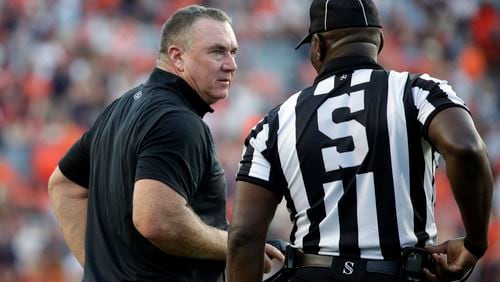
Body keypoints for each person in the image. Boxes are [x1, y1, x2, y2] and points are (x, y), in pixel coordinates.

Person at [227, 0, 493, 281]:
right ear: (378, 40)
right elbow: (466, 148)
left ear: (317, 46)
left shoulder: (274, 123)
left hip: (313, 273)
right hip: (398, 273)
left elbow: (244, 236)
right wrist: (475, 242)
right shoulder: (418, 92)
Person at [48, 5, 282, 282]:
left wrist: (101, 272)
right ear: (177, 57)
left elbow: (64, 186)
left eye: (233, 52)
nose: (231, 64)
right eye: (217, 51)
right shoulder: (177, 120)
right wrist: (236, 244)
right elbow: (156, 221)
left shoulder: (119, 108)